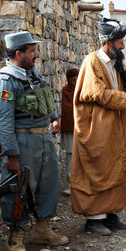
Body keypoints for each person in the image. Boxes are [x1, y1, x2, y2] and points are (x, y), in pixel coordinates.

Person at [0, 31, 68, 251]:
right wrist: (12, 155)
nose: (36, 55)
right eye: (32, 51)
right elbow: (4, 120)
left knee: (48, 182)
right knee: (19, 188)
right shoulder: (6, 79)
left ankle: (42, 229)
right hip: (23, 141)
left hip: (43, 138)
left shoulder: (32, 72)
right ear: (18, 53)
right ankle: (15, 236)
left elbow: (44, 96)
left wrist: (53, 118)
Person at [71, 18, 126, 236]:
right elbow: (95, 93)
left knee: (116, 165)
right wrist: (123, 99)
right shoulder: (92, 62)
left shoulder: (117, 64)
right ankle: (94, 219)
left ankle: (111, 214)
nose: (123, 46)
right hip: (97, 128)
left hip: (115, 127)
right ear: (108, 42)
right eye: (120, 42)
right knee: (98, 168)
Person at [60, 67, 79, 195]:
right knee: (70, 156)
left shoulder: (84, 90)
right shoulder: (65, 91)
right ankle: (71, 184)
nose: (75, 82)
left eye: (77, 79)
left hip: (83, 128)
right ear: (67, 80)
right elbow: (67, 110)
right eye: (72, 80)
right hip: (68, 128)